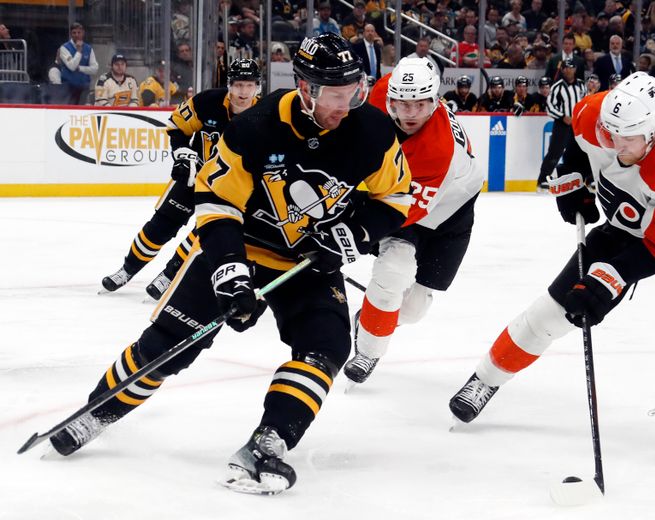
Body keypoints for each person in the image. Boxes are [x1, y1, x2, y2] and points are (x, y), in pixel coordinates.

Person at [47, 34, 412, 496]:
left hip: (307, 261)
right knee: (169, 345)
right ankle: (97, 411)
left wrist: (349, 237)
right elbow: (217, 205)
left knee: (327, 345)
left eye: (355, 91)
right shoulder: (256, 127)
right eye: (338, 95)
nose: (348, 104)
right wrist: (230, 273)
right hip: (241, 244)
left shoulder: (372, 131)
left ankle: (271, 439)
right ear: (305, 88)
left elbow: (394, 197)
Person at [448, 72, 655, 467]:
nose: (614, 144)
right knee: (553, 311)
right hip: (633, 219)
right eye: (610, 133)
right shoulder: (596, 113)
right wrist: (574, 180)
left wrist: (603, 285)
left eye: (627, 139)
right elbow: (580, 141)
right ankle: (486, 377)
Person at [342, 57, 483, 385]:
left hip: (452, 210)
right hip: (412, 192)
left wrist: (358, 229)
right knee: (394, 268)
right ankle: (368, 349)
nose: (409, 114)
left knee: (415, 308)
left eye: (419, 105)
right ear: (390, 97)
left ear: (435, 101)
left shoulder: (437, 148)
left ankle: (371, 316)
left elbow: (401, 209)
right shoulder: (383, 92)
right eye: (402, 104)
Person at [100, 59, 261, 299]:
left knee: (203, 235)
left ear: (257, 87)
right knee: (160, 227)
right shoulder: (207, 102)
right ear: (229, 85)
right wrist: (182, 153)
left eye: (249, 86)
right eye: (238, 85)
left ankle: (168, 276)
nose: (243, 92)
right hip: (194, 177)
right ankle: (127, 269)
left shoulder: (265, 115)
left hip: (230, 191)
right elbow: (176, 127)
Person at [537, 58, 586, 189]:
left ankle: (580, 178)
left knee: (580, 152)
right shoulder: (557, 86)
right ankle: (543, 179)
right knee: (555, 152)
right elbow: (550, 107)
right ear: (562, 70)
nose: (569, 70)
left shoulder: (581, 85)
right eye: (566, 68)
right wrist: (563, 116)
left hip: (577, 125)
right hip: (562, 124)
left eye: (571, 67)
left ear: (575, 69)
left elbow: (585, 102)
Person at [58, 22, 99, 104]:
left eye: (79, 32)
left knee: (82, 112)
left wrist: (80, 68)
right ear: (70, 34)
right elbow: (72, 66)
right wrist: (79, 51)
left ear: (83, 33)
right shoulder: (64, 48)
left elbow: (95, 69)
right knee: (68, 112)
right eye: (74, 33)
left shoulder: (88, 48)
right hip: (68, 88)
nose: (76, 35)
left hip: (84, 87)